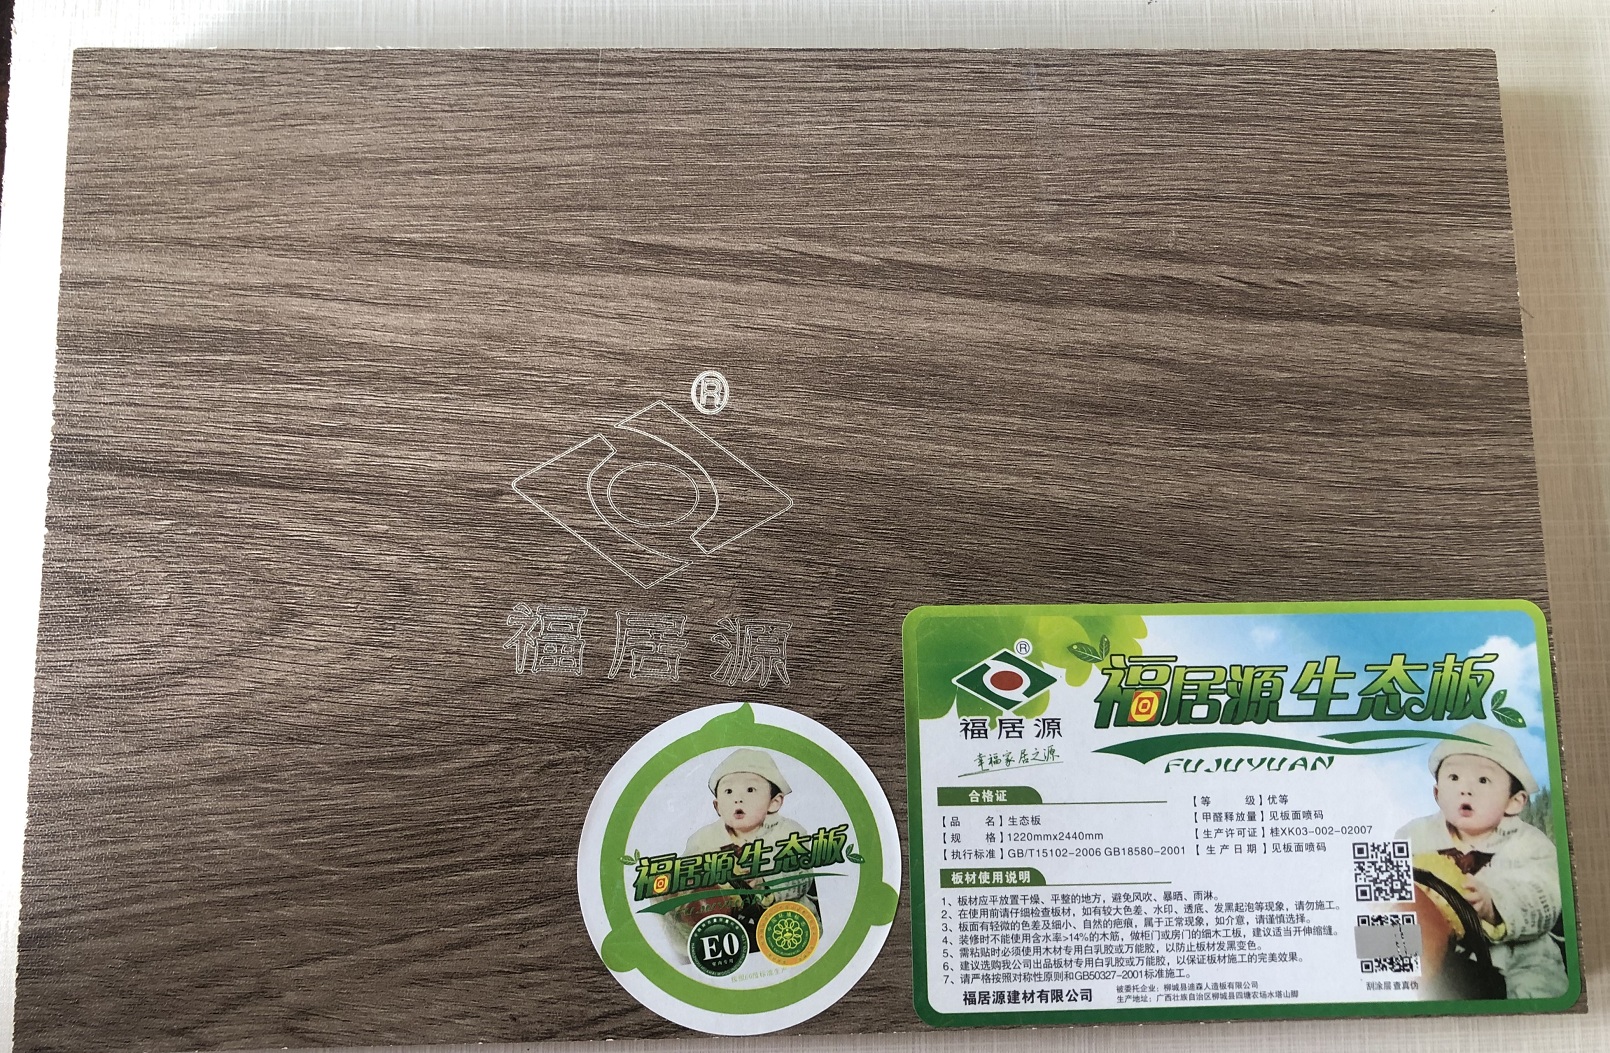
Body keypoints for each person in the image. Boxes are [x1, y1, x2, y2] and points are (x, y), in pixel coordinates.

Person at [1395, 723, 1566, 999]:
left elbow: (1544, 892)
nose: (1465, 789)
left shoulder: (1529, 844)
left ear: (1514, 801)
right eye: (1454, 778)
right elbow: (1385, 887)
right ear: (1437, 793)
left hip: (1521, 959)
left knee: (1537, 990)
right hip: (1442, 953)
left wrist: (1494, 905)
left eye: (1483, 780)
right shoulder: (1414, 835)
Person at [663, 748, 822, 953]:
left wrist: (766, 884)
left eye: (750, 790)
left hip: (784, 922)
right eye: (728, 792)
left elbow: (802, 876)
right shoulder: (703, 840)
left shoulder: (788, 833)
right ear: (717, 806)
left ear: (774, 802)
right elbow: (687, 875)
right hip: (728, 928)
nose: (738, 799)